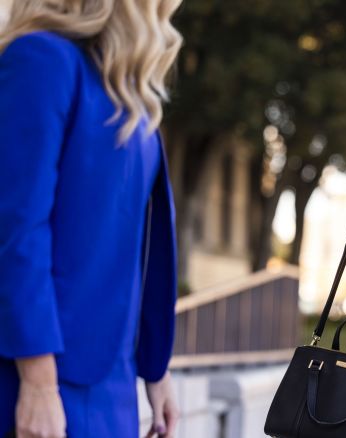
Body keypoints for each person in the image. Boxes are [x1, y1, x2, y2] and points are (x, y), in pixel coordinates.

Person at [0, 1, 183, 437]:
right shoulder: (41, 60)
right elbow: (16, 231)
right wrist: (39, 382)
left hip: (113, 383)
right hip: (43, 379)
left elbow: (135, 244)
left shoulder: (128, 87)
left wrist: (155, 370)